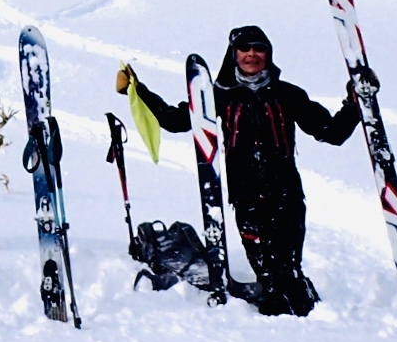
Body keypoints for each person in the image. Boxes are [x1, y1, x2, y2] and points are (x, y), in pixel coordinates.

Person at [118, 25, 360, 316]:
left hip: (287, 196)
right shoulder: (219, 96)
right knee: (268, 274)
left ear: (268, 55)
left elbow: (331, 132)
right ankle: (283, 318)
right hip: (247, 198)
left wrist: (356, 103)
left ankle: (306, 317)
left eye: (259, 49)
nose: (252, 55)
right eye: (245, 49)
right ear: (234, 55)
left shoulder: (288, 95)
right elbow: (174, 120)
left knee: (287, 267)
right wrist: (137, 89)